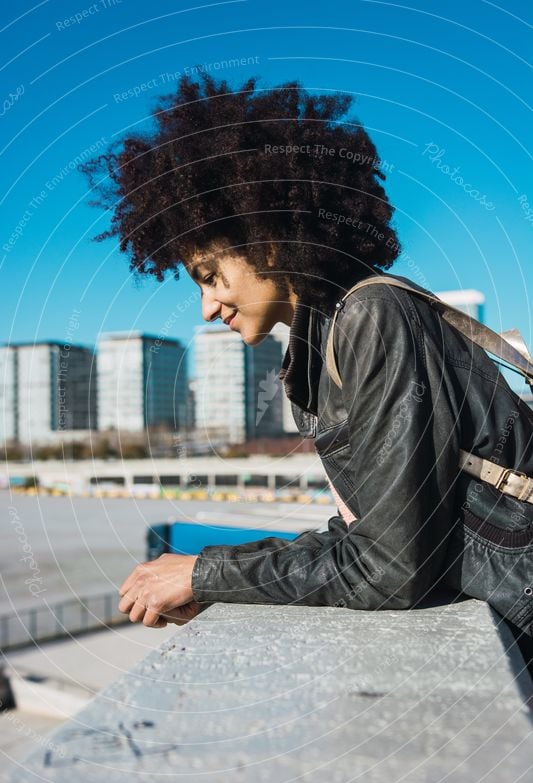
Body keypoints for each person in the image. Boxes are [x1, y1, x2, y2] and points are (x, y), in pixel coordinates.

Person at [83, 71, 533, 639]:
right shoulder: (321, 348)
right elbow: (372, 538)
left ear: (263, 239)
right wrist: (214, 581)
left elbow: (391, 571)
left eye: (210, 276)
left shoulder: (371, 318)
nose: (206, 307)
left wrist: (203, 573)